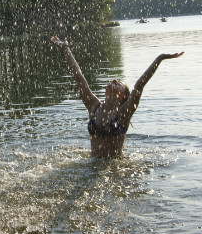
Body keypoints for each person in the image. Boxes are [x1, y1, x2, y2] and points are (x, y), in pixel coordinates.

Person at [50, 36, 183, 158]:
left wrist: (160, 58)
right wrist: (65, 47)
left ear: (123, 95)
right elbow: (78, 77)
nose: (114, 80)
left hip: (114, 168)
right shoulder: (94, 106)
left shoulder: (124, 112)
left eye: (119, 83)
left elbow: (139, 85)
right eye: (113, 81)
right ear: (105, 92)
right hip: (92, 164)